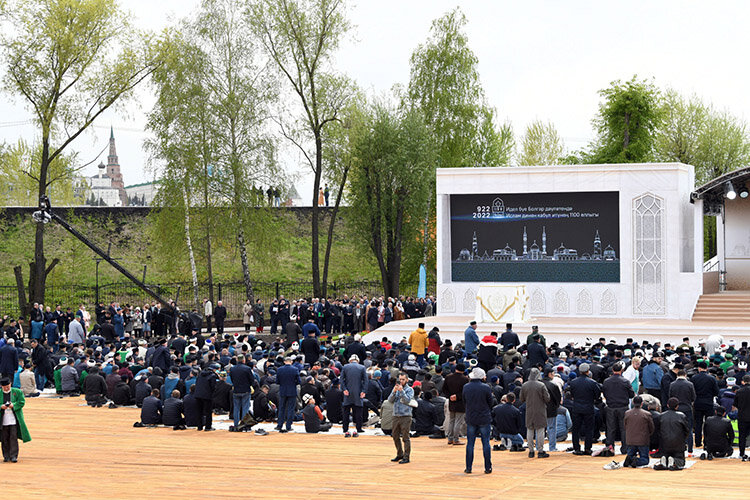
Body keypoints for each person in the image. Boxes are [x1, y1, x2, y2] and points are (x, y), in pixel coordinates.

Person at [462, 368, 492, 474]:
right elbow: (490, 402)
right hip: (484, 417)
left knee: (470, 443)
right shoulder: (486, 387)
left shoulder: (466, 387)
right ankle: (487, 467)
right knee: (486, 443)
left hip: (471, 417)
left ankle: (468, 467)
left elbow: (464, 401)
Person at [602, 361, 634, 455]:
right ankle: (624, 449)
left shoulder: (606, 381)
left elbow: (604, 392)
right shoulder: (625, 381)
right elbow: (631, 394)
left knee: (611, 428)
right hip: (623, 407)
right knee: (623, 429)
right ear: (622, 370)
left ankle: (610, 447)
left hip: (611, 406)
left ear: (612, 370)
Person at [568, 363, 601, 455]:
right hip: (589, 408)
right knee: (589, 429)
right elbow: (597, 395)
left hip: (577, 408)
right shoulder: (592, 383)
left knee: (576, 429)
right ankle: (587, 448)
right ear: (588, 371)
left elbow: (572, 394)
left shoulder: (573, 382)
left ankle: (576, 448)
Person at [519, 367, 550, 458]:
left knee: (529, 429)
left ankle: (531, 451)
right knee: (540, 430)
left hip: (529, 410)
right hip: (540, 410)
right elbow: (547, 398)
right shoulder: (541, 385)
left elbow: (521, 398)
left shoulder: (524, 385)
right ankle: (540, 450)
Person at [654, 397, 690, 471]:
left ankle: (665, 460)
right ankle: (674, 461)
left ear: (667, 405)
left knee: (666, 453)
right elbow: (686, 430)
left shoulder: (661, 416)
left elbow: (657, 430)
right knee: (681, 461)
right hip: (678, 444)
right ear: (677, 406)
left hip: (664, 444)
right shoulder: (682, 416)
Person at [1, 377, 31, 462]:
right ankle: (6, 456)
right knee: (4, 438)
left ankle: (13, 456)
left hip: (14, 418)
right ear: (1, 386)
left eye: (8, 385)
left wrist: (13, 405)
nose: (7, 388)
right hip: (3, 420)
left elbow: (21, 402)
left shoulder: (17, 392)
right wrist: (1, 407)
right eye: (5, 386)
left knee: (13, 437)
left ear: (10, 384)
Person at [387, 372, 414, 464]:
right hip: (396, 415)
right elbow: (390, 400)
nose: (401, 381)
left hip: (405, 415)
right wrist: (394, 392)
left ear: (407, 379)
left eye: (403, 379)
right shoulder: (395, 388)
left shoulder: (410, 389)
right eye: (400, 379)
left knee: (405, 437)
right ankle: (400, 454)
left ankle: (407, 456)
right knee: (395, 436)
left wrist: (401, 391)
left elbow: (407, 400)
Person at [692, 361, 719, 449]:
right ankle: (707, 442)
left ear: (699, 368)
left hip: (698, 402)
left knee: (698, 423)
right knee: (708, 423)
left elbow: (692, 391)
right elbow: (716, 392)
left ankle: (698, 442)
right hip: (708, 403)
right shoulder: (711, 378)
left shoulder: (694, 378)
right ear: (706, 368)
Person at [669, 369, 696, 454]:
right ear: (685, 375)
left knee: (676, 429)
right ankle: (690, 450)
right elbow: (693, 397)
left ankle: (677, 449)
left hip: (676, 409)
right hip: (687, 408)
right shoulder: (690, 384)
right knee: (689, 429)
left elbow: (670, 397)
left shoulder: (672, 384)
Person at [622, 396, 654, 468]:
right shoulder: (647, 414)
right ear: (642, 404)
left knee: (630, 454)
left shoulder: (627, 413)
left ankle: (630, 459)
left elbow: (625, 426)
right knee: (645, 459)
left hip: (630, 440)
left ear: (633, 403)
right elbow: (651, 428)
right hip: (642, 440)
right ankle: (636, 461)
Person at [340, 354, 367, 437]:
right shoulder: (362, 368)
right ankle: (359, 428)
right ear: (357, 360)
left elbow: (341, 379)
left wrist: (344, 389)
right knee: (358, 412)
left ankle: (345, 428)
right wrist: (363, 391)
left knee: (346, 412)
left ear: (350, 360)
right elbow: (366, 381)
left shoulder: (345, 367)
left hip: (348, 393)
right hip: (358, 392)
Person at [442, 362, 469, 445]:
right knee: (458, 422)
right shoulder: (465, 379)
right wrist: (457, 396)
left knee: (451, 421)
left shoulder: (448, 377)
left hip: (451, 401)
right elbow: (465, 392)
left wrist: (450, 396)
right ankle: (456, 439)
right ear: (463, 370)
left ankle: (450, 438)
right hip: (460, 403)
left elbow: (444, 389)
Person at [275, 357, 300, 433]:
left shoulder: (279, 369)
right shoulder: (295, 369)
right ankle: (288, 426)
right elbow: (298, 381)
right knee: (290, 409)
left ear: (284, 362)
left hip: (283, 390)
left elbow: (277, 381)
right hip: (292, 391)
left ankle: (279, 425)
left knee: (281, 408)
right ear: (291, 362)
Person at [229, 355, 255, 430]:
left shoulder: (232, 369)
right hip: (245, 390)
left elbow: (232, 379)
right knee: (245, 408)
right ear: (243, 360)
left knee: (236, 408)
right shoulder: (247, 369)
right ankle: (244, 425)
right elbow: (251, 380)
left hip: (236, 390)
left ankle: (236, 424)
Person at [542, 367, 562, 451]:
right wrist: (556, 406)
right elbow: (558, 398)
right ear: (550, 374)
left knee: (539, 428)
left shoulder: (539, 384)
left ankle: (539, 447)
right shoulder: (553, 385)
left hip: (540, 409)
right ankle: (552, 447)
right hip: (551, 409)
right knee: (552, 428)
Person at [194, 365, 217, 431]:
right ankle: (208, 427)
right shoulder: (212, 376)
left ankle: (199, 426)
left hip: (198, 395)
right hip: (207, 396)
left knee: (199, 411)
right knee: (208, 412)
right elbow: (213, 387)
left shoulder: (200, 375)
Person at [735, 374, 750, 458]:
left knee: (742, 436)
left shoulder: (739, 391)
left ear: (743, 381)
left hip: (742, 416)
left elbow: (735, 404)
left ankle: (741, 453)